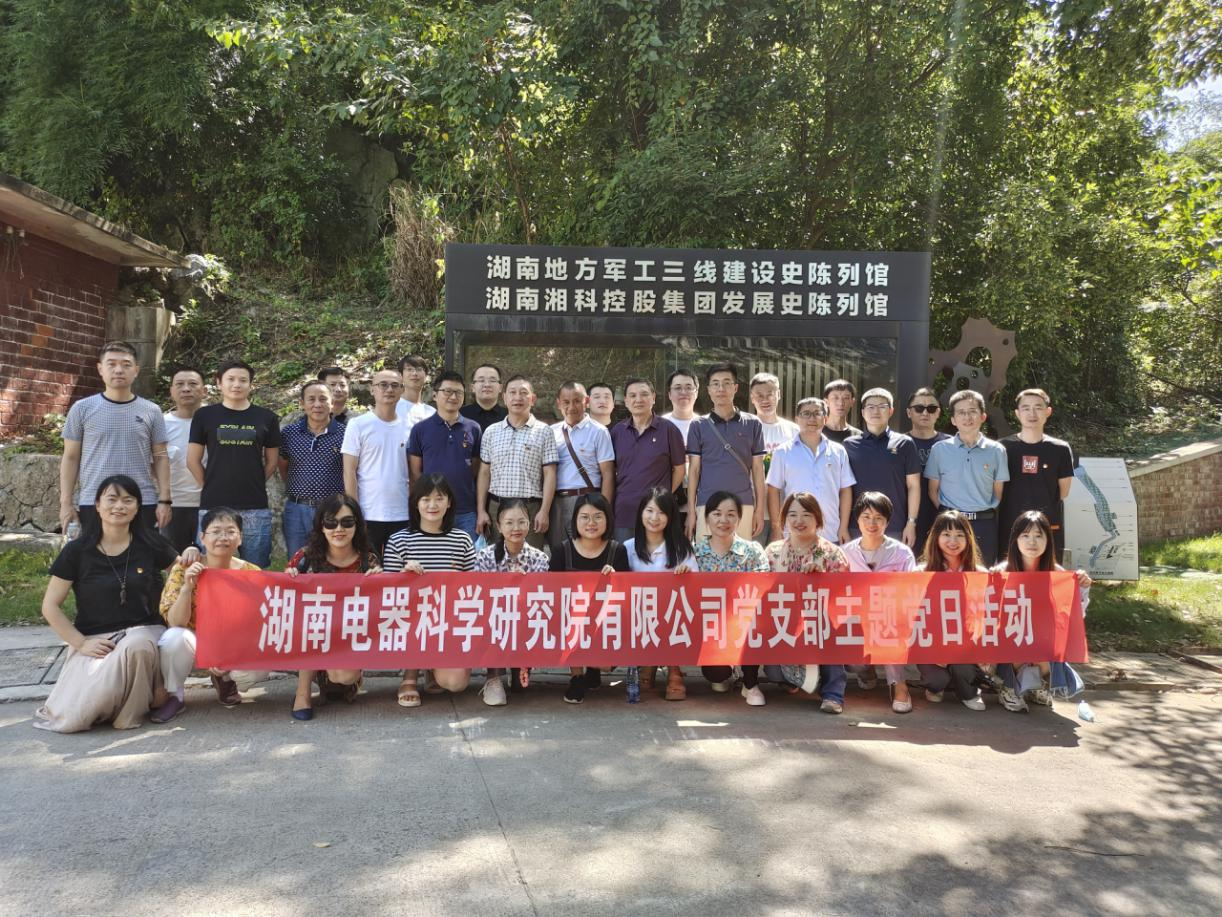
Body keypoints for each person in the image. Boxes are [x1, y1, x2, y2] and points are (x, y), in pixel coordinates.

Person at [34, 475, 182, 732]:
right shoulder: (77, 551)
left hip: (145, 631)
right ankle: (150, 696)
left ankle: (130, 714)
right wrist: (81, 643)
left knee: (137, 646)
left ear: (137, 508)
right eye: (112, 499)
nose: (119, 506)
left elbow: (182, 573)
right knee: (76, 717)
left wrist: (190, 558)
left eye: (128, 500)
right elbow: (50, 606)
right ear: (97, 505)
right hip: (95, 639)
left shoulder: (151, 543)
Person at [154, 507, 267, 722]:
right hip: (195, 643)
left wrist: (229, 651)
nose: (223, 537)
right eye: (216, 532)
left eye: (230, 532)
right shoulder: (185, 568)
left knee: (254, 671)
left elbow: (259, 622)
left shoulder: (252, 573)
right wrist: (187, 588)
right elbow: (176, 622)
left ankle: (226, 681)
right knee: (173, 638)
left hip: (234, 643)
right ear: (202, 537)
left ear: (240, 538)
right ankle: (175, 696)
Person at [382, 474, 477, 708]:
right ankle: (410, 675)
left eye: (439, 498)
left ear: (449, 502)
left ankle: (433, 667)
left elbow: (475, 588)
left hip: (449, 623)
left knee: (455, 683)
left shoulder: (462, 540)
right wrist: (404, 574)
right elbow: (386, 593)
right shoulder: (399, 540)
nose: (432, 505)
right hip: (412, 618)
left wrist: (459, 580)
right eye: (425, 499)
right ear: (416, 503)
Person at [60, 341, 171, 534]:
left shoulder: (152, 411)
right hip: (94, 500)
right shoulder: (82, 409)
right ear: (100, 369)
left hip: (141, 500)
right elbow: (70, 457)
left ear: (136, 370)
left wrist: (165, 500)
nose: (118, 370)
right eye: (111, 364)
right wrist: (66, 502)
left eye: (126, 365)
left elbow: (161, 456)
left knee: (141, 553)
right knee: (95, 552)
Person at [287, 494, 380, 720]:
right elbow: (286, 603)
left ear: (357, 525)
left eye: (347, 522)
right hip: (313, 635)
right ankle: (302, 693)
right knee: (309, 625)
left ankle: (343, 677)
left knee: (343, 677)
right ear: (321, 526)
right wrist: (289, 578)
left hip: (350, 635)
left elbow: (380, 606)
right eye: (331, 522)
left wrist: (380, 581)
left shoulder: (368, 561)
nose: (339, 529)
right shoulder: (305, 558)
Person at [991, 511, 1092, 712]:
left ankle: (1035, 686)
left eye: (1038, 535)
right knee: (1018, 646)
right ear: (1015, 540)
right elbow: (988, 615)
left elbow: (1074, 617)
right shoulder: (1002, 571)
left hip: (1042, 643)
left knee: (1047, 652)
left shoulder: (1058, 574)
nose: (1032, 542)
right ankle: (1007, 688)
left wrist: (1082, 588)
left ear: (1048, 540)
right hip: (1011, 641)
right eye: (1025, 535)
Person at [187, 359, 281, 568]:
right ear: (219, 383)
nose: (236, 384)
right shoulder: (204, 415)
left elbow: (272, 461)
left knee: (255, 569)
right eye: (230, 379)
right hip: (214, 504)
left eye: (243, 380)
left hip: (254, 505)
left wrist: (255, 481)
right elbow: (192, 460)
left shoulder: (267, 417)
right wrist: (209, 485)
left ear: (251, 385)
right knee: (210, 568)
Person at [764, 492, 851, 712]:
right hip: (785, 623)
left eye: (806, 515)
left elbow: (844, 596)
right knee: (773, 671)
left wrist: (823, 579)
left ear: (818, 519)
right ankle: (795, 680)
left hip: (821, 623)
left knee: (831, 634)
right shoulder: (773, 552)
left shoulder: (832, 553)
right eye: (792, 515)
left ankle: (833, 695)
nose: (799, 521)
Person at [840, 492, 918, 713]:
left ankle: (899, 684)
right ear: (857, 519)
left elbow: (911, 590)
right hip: (856, 621)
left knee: (888, 627)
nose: (871, 523)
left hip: (891, 619)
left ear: (887, 521)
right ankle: (867, 672)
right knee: (854, 661)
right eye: (866, 517)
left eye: (878, 518)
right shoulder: (845, 553)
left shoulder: (902, 553)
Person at [548, 493, 630, 703]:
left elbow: (626, 596)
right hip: (571, 621)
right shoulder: (561, 550)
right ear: (575, 520)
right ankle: (576, 676)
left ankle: (594, 667)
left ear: (607, 519)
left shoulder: (617, 551)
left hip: (605, 621)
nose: (591, 523)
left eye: (598, 517)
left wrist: (616, 579)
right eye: (584, 517)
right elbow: (551, 593)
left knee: (606, 664)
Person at [692, 492, 771, 704]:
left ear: (739, 518)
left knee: (754, 624)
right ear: (706, 518)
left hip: (745, 623)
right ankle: (724, 672)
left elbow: (764, 586)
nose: (723, 520)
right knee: (715, 674)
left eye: (730, 514)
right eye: (717, 514)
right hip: (711, 629)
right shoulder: (694, 554)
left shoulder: (752, 551)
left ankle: (751, 683)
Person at [623, 487, 698, 701]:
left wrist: (687, 575)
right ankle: (648, 662)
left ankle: (674, 669)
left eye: (661, 512)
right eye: (649, 511)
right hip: (639, 617)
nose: (654, 518)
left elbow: (695, 590)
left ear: (670, 516)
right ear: (641, 513)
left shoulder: (682, 549)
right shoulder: (627, 548)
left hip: (671, 617)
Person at [474, 498, 551, 705]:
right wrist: (505, 585)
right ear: (499, 526)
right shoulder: (485, 557)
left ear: (529, 523)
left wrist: (524, 587)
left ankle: (521, 666)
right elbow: (479, 597)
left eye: (521, 522)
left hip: (525, 621)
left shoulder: (539, 558)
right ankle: (493, 677)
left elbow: (541, 600)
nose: (516, 528)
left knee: (519, 687)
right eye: (509, 522)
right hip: (495, 620)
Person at [924, 389, 1010, 564]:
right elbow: (933, 490)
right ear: (953, 420)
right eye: (961, 412)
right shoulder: (939, 449)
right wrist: (949, 513)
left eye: (972, 411)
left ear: (983, 416)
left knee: (982, 573)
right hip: (949, 524)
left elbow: (998, 492)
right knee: (946, 572)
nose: (967, 417)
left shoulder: (997, 451)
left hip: (983, 525)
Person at [915, 510, 989, 711]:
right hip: (932, 645)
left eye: (959, 535)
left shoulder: (980, 574)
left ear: (968, 538)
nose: (953, 541)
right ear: (936, 537)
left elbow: (987, 615)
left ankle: (969, 692)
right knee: (936, 679)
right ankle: (937, 686)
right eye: (946, 534)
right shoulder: (921, 572)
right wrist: (935, 651)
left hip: (966, 646)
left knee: (963, 666)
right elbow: (915, 618)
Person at [685, 363, 766, 541]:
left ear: (735, 388)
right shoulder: (698, 425)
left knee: (741, 555)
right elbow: (694, 470)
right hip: (707, 505)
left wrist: (759, 509)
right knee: (707, 556)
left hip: (743, 504)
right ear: (709, 390)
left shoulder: (753, 424)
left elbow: (758, 469)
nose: (721, 388)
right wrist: (691, 512)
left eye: (726, 383)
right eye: (715, 384)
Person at [476, 375, 558, 550]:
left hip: (530, 508)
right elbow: (484, 473)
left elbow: (550, 474)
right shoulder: (491, 432)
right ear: (504, 398)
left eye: (523, 393)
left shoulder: (544, 431)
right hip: (496, 507)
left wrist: (544, 511)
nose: (517, 397)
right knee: (497, 559)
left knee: (531, 560)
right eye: (512, 392)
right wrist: (481, 510)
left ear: (532, 399)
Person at [998, 389, 1076, 562]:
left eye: (1038, 407)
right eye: (1026, 408)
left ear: (1048, 411)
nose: (1032, 413)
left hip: (1047, 525)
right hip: (1010, 524)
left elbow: (1063, 491)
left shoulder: (1060, 449)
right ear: (1017, 413)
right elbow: (997, 490)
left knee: (1047, 571)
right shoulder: (1002, 448)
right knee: (1009, 572)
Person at [766, 397, 855, 544]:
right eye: (806, 414)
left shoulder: (838, 451)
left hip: (830, 531)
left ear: (825, 418)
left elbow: (845, 490)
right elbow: (773, 490)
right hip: (793, 532)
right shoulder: (782, 452)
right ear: (797, 419)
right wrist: (776, 528)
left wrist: (843, 527)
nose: (812, 418)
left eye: (817, 413)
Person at [341, 367, 410, 557]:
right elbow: (349, 471)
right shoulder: (358, 424)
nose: (389, 389)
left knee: (400, 569)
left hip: (402, 512)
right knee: (369, 567)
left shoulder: (410, 426)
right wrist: (354, 511)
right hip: (368, 512)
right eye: (383, 385)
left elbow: (413, 473)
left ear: (402, 390)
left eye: (395, 385)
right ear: (372, 389)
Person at [610, 378, 686, 543]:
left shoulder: (669, 430)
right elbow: (610, 471)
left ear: (653, 398)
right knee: (625, 557)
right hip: (625, 513)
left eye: (644, 394)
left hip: (658, 513)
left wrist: (663, 495)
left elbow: (680, 469)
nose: (638, 399)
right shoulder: (617, 432)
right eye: (633, 395)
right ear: (626, 401)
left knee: (658, 557)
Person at [409, 370, 482, 539]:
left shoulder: (473, 428)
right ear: (435, 395)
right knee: (434, 554)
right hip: (432, 510)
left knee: (467, 554)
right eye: (447, 391)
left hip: (465, 510)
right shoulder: (420, 429)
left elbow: (475, 468)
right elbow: (415, 472)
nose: (453, 396)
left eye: (459, 392)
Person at [843, 388, 921, 546]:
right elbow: (845, 489)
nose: (876, 411)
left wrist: (911, 523)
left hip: (895, 526)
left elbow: (913, 486)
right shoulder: (849, 445)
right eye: (870, 407)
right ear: (863, 412)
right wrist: (843, 526)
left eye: (882, 407)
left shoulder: (904, 443)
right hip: (857, 526)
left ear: (891, 411)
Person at [279, 380, 346, 559]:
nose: (317, 404)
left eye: (323, 399)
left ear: (332, 403)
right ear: (302, 403)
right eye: (311, 399)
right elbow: (283, 466)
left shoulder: (345, 433)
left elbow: (351, 471)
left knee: (331, 559)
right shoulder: (289, 433)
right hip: (296, 509)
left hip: (332, 509)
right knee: (297, 560)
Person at [549, 381, 615, 550]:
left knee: (588, 551)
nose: (571, 407)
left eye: (577, 401)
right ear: (558, 403)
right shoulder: (551, 432)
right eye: (566, 402)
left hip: (587, 500)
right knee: (559, 552)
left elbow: (608, 474)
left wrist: (604, 509)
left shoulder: (599, 431)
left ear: (586, 401)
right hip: (557, 502)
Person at [749, 372, 799, 545]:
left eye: (770, 394)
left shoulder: (794, 431)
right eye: (759, 395)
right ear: (752, 398)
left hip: (788, 510)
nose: (765, 400)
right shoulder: (746, 428)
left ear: (778, 394)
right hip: (754, 510)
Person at [160, 367, 206, 551]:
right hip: (173, 505)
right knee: (174, 561)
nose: (186, 389)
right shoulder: (160, 424)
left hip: (209, 504)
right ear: (171, 391)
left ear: (204, 390)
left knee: (211, 562)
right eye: (179, 384)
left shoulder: (217, 421)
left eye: (193, 384)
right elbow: (153, 466)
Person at [905, 387, 950, 556]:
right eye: (919, 408)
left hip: (943, 516)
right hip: (908, 518)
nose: (925, 413)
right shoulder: (899, 443)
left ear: (938, 413)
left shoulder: (951, 444)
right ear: (909, 413)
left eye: (931, 408)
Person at [661, 369, 702, 536]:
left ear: (696, 392)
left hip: (701, 501)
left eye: (688, 387)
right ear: (669, 394)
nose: (683, 392)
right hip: (667, 501)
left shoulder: (706, 425)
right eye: (677, 388)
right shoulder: (660, 425)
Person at [460, 362, 507, 431]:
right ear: (472, 387)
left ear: (500, 387)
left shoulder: (509, 416)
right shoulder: (460, 415)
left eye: (492, 380)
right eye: (481, 380)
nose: (487, 385)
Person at [395, 354, 436, 429]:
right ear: (401, 376)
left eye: (419, 369)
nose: (414, 373)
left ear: (426, 376)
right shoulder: (392, 408)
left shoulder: (432, 413)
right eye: (409, 369)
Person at [822, 379, 862, 443]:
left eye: (846, 398)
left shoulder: (859, 436)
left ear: (852, 402)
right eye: (835, 398)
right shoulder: (817, 432)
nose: (841, 403)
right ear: (826, 402)